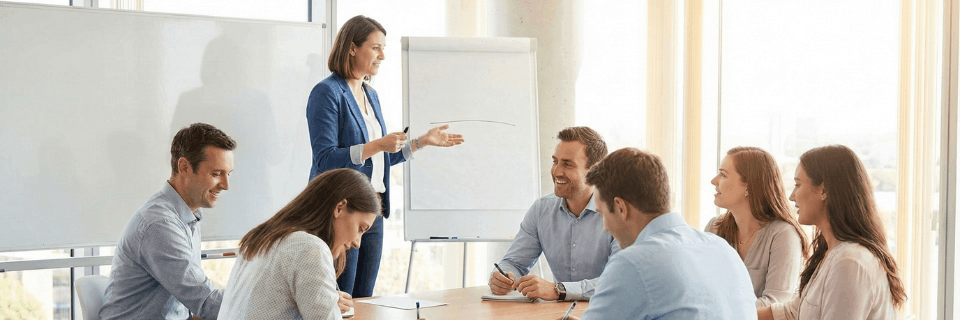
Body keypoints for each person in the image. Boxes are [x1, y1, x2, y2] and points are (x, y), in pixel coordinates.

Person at [306, 15, 464, 297]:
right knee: (339, 298)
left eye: (384, 48)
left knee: (364, 297)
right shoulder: (327, 92)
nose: (383, 55)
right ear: (352, 48)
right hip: (342, 212)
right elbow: (326, 158)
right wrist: (378, 144)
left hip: (373, 210)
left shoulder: (371, 95)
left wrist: (422, 142)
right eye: (376, 47)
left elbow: (378, 160)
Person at [569, 148, 757, 320]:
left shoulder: (632, 263)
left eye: (603, 214)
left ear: (620, 207)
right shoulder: (722, 249)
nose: (605, 227)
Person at [100, 123, 234, 320]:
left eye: (228, 174)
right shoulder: (160, 224)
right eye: (216, 174)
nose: (225, 185)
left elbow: (190, 303)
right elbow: (205, 301)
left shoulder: (187, 217)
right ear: (184, 167)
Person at [759, 145, 906, 320]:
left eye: (798, 185)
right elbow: (792, 312)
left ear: (824, 190)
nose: (792, 196)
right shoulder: (832, 253)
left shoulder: (849, 262)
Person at [217, 168, 380, 319]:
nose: (358, 243)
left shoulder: (261, 237)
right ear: (339, 207)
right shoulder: (310, 247)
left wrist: (327, 300)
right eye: (360, 228)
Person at [489, 127, 620, 301]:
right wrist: (503, 276)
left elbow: (620, 282)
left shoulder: (620, 213)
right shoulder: (541, 209)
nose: (556, 171)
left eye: (567, 164)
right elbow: (514, 263)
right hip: (560, 314)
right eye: (555, 161)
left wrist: (559, 290)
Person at [706, 146, 809, 307]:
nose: (714, 181)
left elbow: (775, 303)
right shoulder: (714, 228)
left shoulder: (783, 234)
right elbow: (704, 291)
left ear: (748, 186)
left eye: (723, 175)